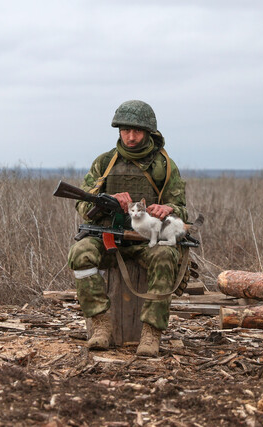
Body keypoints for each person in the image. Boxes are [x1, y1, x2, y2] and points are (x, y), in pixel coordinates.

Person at [67, 99, 188, 356]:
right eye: (125, 130)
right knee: (80, 253)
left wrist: (168, 209)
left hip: (147, 242)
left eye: (137, 131)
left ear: (149, 132)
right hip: (109, 238)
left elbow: (182, 208)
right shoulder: (105, 163)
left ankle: (151, 332)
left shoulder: (164, 167)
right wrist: (107, 202)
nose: (130, 137)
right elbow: (82, 203)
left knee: (167, 256)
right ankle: (100, 324)